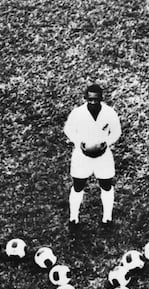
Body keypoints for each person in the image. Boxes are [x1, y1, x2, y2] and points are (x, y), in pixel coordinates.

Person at [63, 84, 121, 223]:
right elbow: (68, 129)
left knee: (106, 184)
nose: (93, 102)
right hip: (82, 156)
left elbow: (117, 131)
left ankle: (107, 217)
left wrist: (107, 142)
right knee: (78, 185)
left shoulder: (109, 113)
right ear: (85, 98)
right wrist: (79, 142)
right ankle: (74, 217)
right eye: (90, 99)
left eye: (96, 99)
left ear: (101, 98)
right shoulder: (77, 113)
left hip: (103, 156)